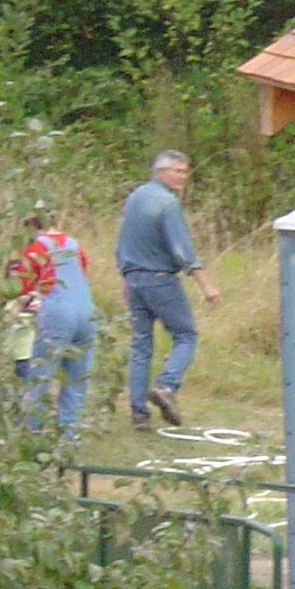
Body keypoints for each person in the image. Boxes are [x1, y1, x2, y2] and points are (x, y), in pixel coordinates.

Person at [116, 149, 220, 430]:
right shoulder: (167, 203)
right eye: (178, 171)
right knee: (185, 334)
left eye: (185, 172)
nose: (183, 177)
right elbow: (181, 249)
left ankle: (139, 413)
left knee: (140, 345)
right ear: (160, 171)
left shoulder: (136, 197)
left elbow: (123, 240)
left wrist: (125, 275)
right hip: (160, 279)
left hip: (134, 279)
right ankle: (166, 385)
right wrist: (206, 285)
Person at [14, 206, 96, 439]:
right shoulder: (74, 245)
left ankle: (32, 433)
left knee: (40, 375)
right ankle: (70, 435)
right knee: (76, 378)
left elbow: (24, 289)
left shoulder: (35, 249)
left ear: (31, 225)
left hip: (57, 314)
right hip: (86, 312)